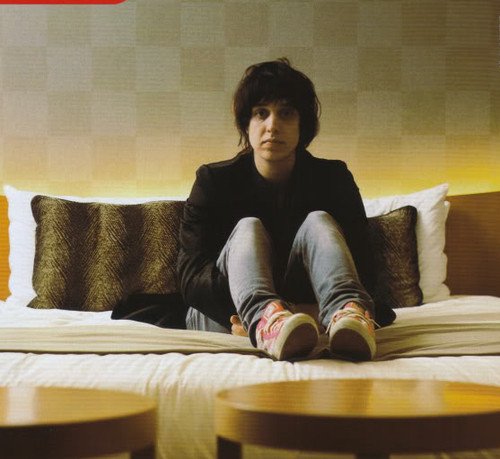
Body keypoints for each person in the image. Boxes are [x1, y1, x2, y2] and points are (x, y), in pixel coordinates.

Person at [177, 58, 395, 361]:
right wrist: (256, 311)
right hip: (225, 312)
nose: (272, 126)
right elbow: (191, 278)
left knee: (319, 221)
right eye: (261, 113)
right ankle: (266, 320)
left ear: (302, 124)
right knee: (248, 227)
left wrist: (296, 311)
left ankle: (347, 314)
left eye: (286, 113)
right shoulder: (213, 181)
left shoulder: (334, 179)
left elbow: (365, 270)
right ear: (247, 123)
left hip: (311, 315)